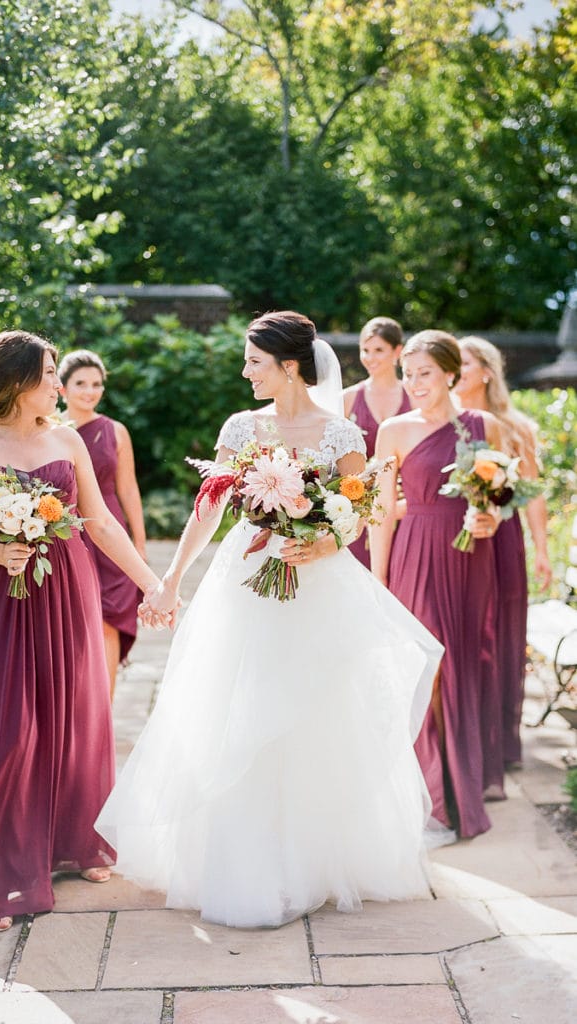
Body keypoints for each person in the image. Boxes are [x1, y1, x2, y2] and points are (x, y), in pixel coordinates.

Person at [96, 310, 444, 929]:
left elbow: (357, 512)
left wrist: (324, 544)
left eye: (253, 361)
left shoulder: (341, 433)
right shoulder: (240, 426)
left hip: (316, 582)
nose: (244, 370)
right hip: (248, 578)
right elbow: (210, 509)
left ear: (288, 367)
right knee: (238, 704)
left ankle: (312, 861)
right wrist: (173, 577)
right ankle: (244, 861)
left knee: (315, 711)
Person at [0, 330, 172, 933]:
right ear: (14, 381)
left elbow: (100, 523)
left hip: (65, 588)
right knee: (7, 727)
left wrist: (153, 583)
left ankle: (74, 840)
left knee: (71, 713)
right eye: (46, 374)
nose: (55, 385)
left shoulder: (67, 439)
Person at [371, 330, 504, 839]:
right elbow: (382, 511)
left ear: (452, 373)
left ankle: (462, 792)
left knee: (463, 667)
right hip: (416, 554)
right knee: (424, 671)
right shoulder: (393, 430)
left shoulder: (481, 425)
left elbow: (492, 495)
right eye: (408, 373)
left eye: (425, 373)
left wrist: (488, 517)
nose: (415, 383)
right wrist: (379, 578)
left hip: (469, 558)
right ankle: (428, 797)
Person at [455, 335, 551, 773]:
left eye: (465, 363)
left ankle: (502, 744)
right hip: (453, 537)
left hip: (504, 539)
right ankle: (463, 739)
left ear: (487, 371)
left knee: (505, 635)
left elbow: (532, 495)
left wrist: (542, 552)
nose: (455, 371)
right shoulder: (441, 420)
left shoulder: (517, 426)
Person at [58, 349, 146, 697]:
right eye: (81, 383)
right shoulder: (48, 430)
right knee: (71, 620)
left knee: (110, 618)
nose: (90, 391)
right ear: (61, 388)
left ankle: (103, 711)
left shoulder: (116, 431)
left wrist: (138, 543)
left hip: (109, 529)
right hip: (65, 531)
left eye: (96, 384)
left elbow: (128, 487)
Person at [343, 317, 410, 567]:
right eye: (365, 350)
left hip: (406, 509)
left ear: (397, 351)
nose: (370, 357)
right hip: (360, 510)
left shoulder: (414, 397)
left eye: (379, 350)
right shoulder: (348, 399)